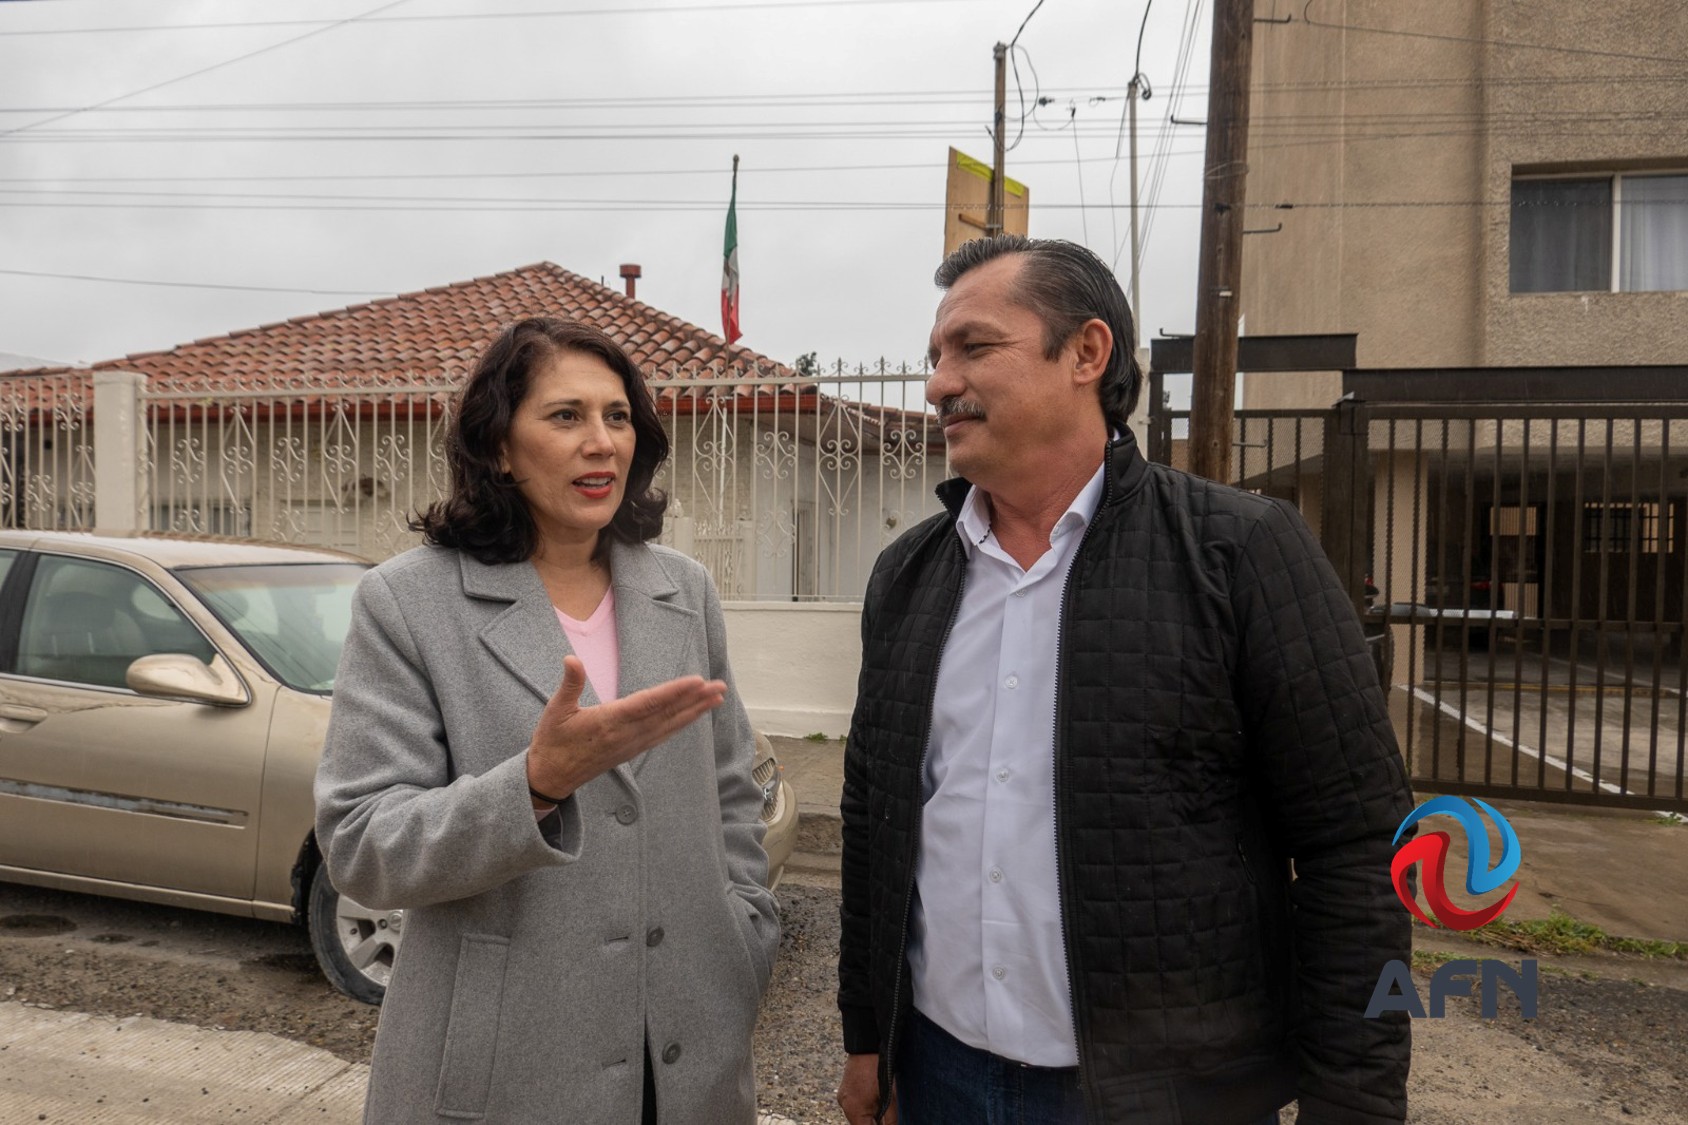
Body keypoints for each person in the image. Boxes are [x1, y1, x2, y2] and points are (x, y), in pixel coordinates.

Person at [836, 236, 1415, 1125]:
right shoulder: (907, 576)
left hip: (1162, 1100)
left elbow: (1358, 847)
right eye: (933, 357)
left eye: (974, 347)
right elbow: (874, 820)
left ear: (1087, 353)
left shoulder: (1241, 554)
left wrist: (1354, 1101)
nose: (938, 384)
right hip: (938, 1074)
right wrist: (866, 1035)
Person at [315, 317, 777, 1124]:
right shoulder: (409, 604)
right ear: (498, 445)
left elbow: (731, 787)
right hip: (506, 1066)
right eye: (565, 416)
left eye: (618, 416)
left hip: (685, 1057)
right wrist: (532, 786)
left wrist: (744, 933)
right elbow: (361, 844)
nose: (600, 442)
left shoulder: (684, 590)